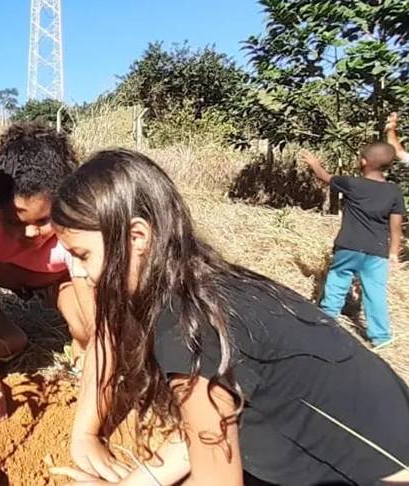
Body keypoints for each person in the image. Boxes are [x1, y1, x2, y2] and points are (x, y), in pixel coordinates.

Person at [49, 148, 409, 485]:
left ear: (137, 237)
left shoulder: (187, 327)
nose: (82, 273)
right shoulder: (206, 285)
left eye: (82, 255)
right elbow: (206, 428)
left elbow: (215, 476)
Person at [0, 123, 94, 429]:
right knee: (9, 343)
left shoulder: (75, 215)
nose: (30, 232)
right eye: (14, 222)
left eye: (43, 221)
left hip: (55, 281)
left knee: (86, 328)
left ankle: (80, 347)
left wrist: (96, 357)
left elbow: (91, 303)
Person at [301, 143, 403, 348]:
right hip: (377, 252)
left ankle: (326, 322)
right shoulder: (394, 191)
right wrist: (393, 252)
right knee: (375, 293)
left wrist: (314, 164)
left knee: (336, 283)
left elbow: (324, 177)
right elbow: (396, 225)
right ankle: (381, 337)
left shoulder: (352, 184)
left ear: (364, 162)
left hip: (349, 246)